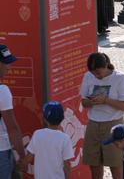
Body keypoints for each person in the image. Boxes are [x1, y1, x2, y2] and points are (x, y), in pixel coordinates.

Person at [80, 53, 124, 179]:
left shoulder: (120, 78)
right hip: (93, 123)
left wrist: (106, 100)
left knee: (115, 163)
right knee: (94, 162)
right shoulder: (88, 77)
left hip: (114, 124)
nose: (96, 76)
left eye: (98, 73)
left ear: (106, 66)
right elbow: (83, 102)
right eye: (94, 74)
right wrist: (91, 101)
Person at [23, 101, 74, 179]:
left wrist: (17, 166)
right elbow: (67, 164)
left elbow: (29, 157)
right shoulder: (65, 138)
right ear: (62, 118)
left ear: (45, 119)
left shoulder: (37, 134)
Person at [0, 45, 25, 178]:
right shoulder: (2, 91)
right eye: (6, 63)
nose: (9, 67)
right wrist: (22, 156)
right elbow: (12, 128)